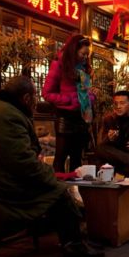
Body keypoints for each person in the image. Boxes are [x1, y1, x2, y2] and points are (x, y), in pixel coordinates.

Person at [0, 76, 104, 257]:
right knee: (59, 192)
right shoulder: (6, 115)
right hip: (1, 182)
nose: (36, 102)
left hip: (4, 174)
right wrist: (50, 176)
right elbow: (21, 161)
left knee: (57, 188)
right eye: (34, 97)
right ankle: (73, 246)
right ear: (26, 98)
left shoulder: (3, 108)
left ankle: (76, 240)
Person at [43, 34, 95, 173]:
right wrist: (71, 99)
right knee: (61, 157)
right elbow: (47, 94)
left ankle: (74, 192)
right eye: (83, 54)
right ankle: (58, 191)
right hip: (65, 117)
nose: (85, 57)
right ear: (74, 50)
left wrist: (91, 96)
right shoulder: (59, 65)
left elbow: (85, 91)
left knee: (77, 159)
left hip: (81, 117)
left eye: (87, 55)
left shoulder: (83, 68)